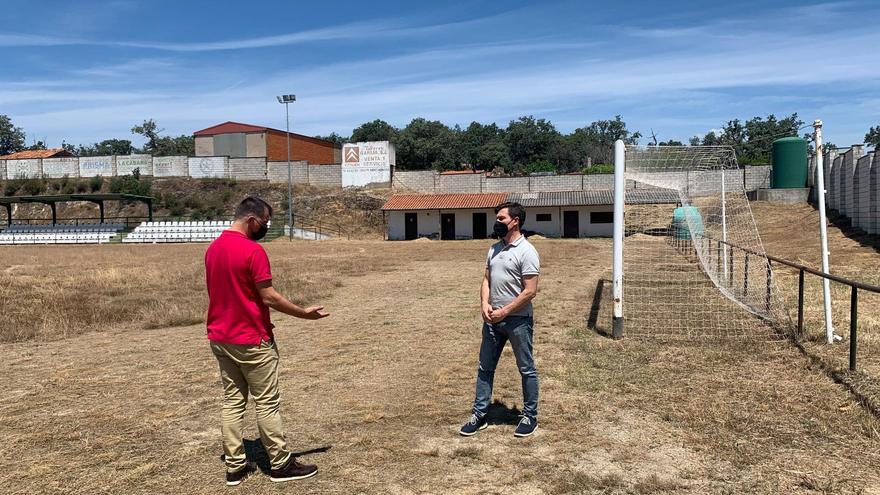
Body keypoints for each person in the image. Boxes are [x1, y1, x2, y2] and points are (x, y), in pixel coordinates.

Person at [205, 196, 329, 486]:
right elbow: (269, 296)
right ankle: (280, 464)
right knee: (266, 402)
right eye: (264, 222)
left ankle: (235, 466)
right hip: (251, 339)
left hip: (221, 337)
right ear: (251, 220)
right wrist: (302, 313)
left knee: (233, 401)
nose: (266, 227)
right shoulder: (252, 251)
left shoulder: (213, 249)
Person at [460, 201, 541, 438]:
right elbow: (486, 279)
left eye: (501, 218)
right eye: (497, 218)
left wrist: (505, 311)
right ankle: (479, 414)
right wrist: (484, 304)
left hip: (518, 321)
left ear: (515, 221)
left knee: (526, 369)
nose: (497, 222)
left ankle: (530, 416)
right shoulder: (494, 249)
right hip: (492, 321)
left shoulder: (527, 251)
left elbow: (530, 291)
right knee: (485, 368)